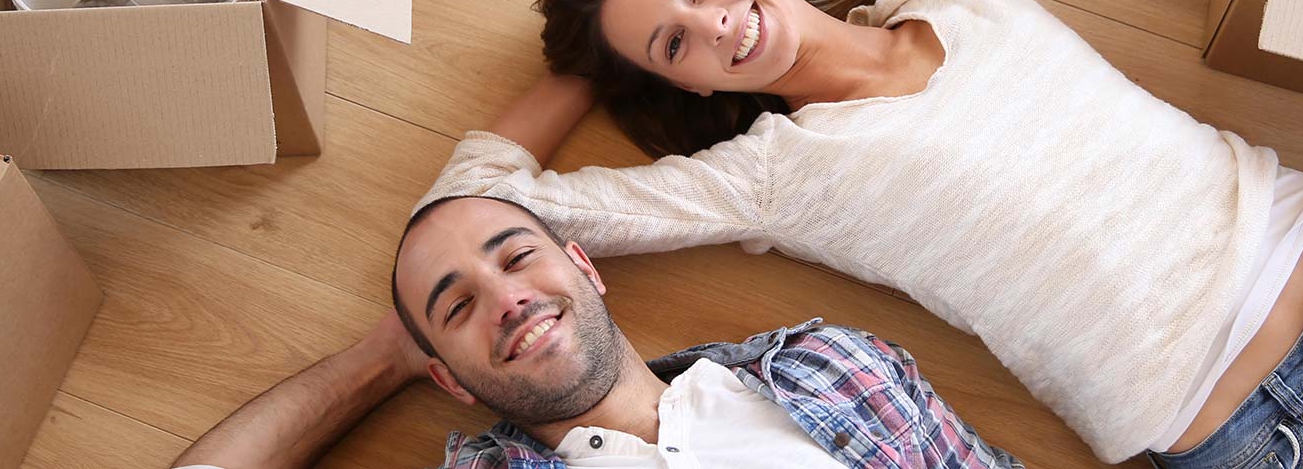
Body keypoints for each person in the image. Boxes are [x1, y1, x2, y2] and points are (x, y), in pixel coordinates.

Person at [420, 0, 1303, 466]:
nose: (717, 18)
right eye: (677, 39)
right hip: (1274, 436)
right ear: (678, 84)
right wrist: (593, 54)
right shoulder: (765, 175)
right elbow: (477, 203)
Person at [169, 195, 1025, 469]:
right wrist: (383, 356)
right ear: (449, 381)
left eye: (517, 258)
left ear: (585, 265)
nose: (504, 298)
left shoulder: (829, 363)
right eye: (456, 306)